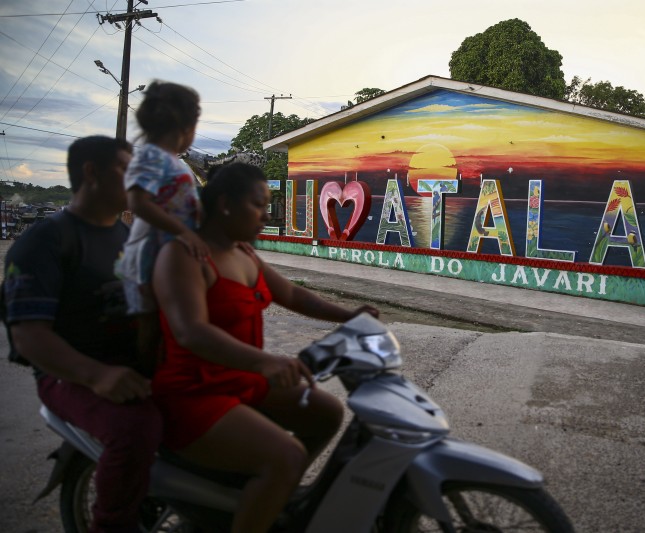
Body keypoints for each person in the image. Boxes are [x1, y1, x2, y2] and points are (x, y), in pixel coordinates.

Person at [151, 162, 379, 532]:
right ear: (225, 204)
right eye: (259, 204)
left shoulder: (243, 252)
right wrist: (265, 362)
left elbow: (291, 294)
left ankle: (268, 500)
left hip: (241, 383)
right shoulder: (185, 255)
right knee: (285, 456)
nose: (266, 214)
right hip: (195, 393)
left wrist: (350, 315)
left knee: (326, 412)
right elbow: (191, 331)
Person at [3, 136, 162, 533]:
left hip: (128, 362)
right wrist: (97, 375)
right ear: (91, 173)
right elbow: (28, 337)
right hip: (69, 374)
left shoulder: (122, 236)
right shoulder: (43, 240)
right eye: (127, 170)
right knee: (133, 429)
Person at [115, 80, 208, 366]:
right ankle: (141, 374)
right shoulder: (150, 156)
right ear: (186, 126)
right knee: (149, 324)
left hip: (170, 252)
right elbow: (137, 202)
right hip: (149, 254)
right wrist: (182, 230)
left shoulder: (172, 161)